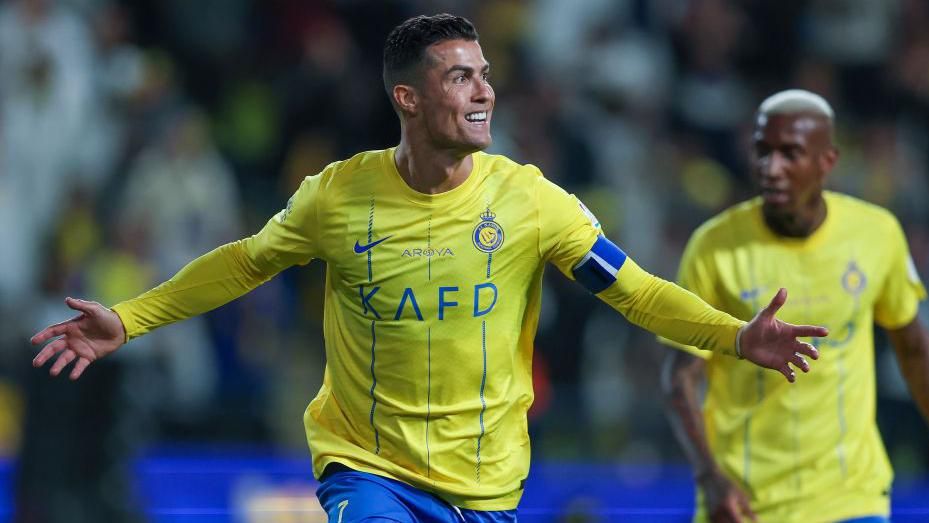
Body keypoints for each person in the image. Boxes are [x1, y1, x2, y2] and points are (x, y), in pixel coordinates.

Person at [31, 15, 826, 522]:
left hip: (485, 486)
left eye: (484, 74)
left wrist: (732, 336)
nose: (484, 91)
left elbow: (635, 290)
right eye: (461, 76)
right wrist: (129, 317)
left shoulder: (530, 201)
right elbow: (244, 264)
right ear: (408, 99)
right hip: (367, 469)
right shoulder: (337, 197)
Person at [660, 90, 929, 523]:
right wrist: (710, 477)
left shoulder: (877, 235)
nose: (772, 168)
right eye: (762, 152)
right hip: (745, 503)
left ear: (827, 160)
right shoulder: (714, 247)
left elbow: (914, 350)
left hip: (850, 498)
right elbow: (680, 375)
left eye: (791, 154)